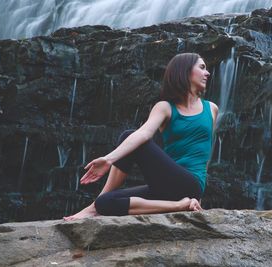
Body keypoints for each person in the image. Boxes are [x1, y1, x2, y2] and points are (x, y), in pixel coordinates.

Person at [64, 53, 218, 220]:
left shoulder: (211, 109)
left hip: (191, 184)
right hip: (167, 185)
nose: (207, 73)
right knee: (105, 203)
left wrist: (199, 195)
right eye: (202, 68)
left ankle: (92, 208)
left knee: (129, 136)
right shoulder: (165, 107)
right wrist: (108, 159)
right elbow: (144, 132)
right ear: (185, 71)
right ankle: (180, 205)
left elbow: (205, 154)